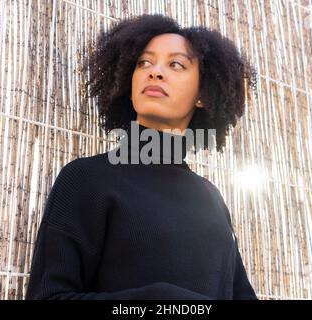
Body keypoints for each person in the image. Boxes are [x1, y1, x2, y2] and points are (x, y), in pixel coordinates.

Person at [25, 14, 257, 300]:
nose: (155, 72)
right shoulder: (85, 179)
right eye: (144, 62)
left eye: (176, 64)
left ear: (203, 94)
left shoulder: (211, 199)